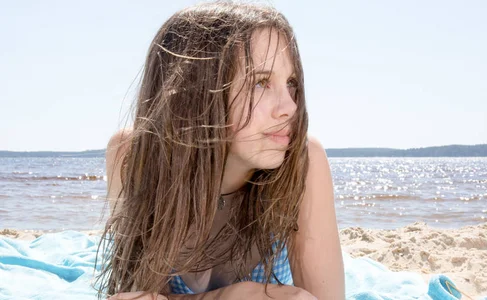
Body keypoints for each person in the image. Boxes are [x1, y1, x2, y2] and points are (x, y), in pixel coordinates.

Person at [96, 2, 344, 299]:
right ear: (194, 90)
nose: (290, 107)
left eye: (291, 83)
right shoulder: (134, 154)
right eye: (261, 82)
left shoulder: (302, 158)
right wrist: (228, 295)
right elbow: (136, 292)